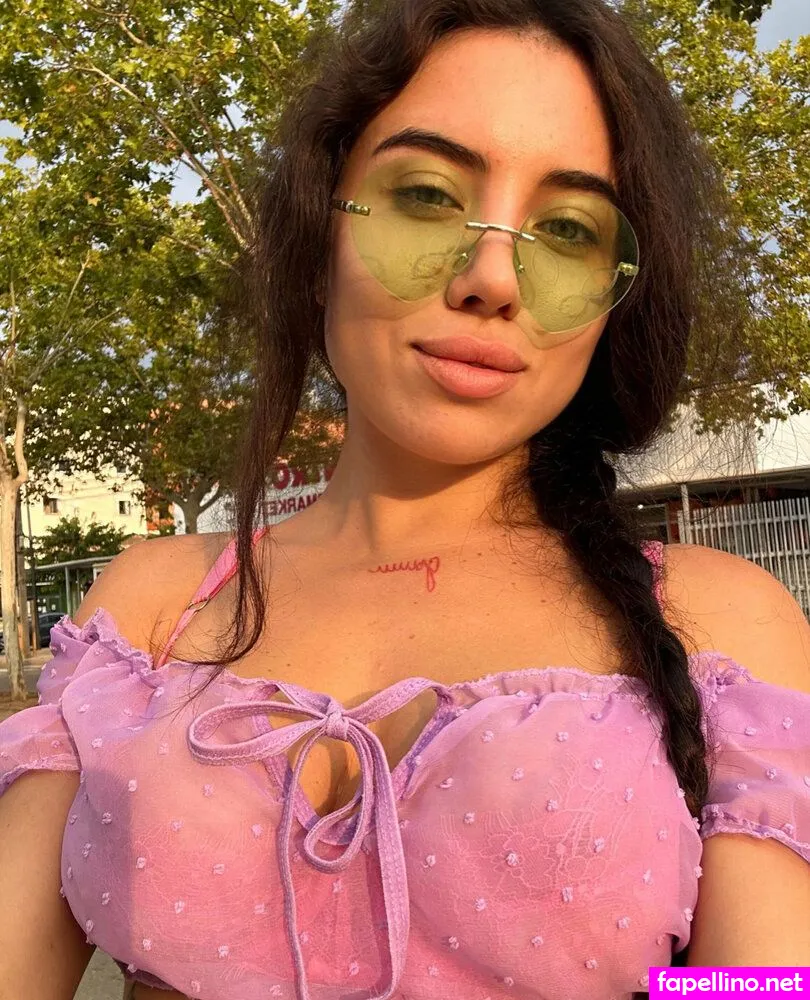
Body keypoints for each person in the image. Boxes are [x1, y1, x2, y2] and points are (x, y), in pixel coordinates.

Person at [1, 0, 808, 998]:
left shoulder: (717, 624)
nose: (492, 277)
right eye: (426, 196)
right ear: (320, 234)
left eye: (567, 229)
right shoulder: (147, 613)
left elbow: (770, 984)